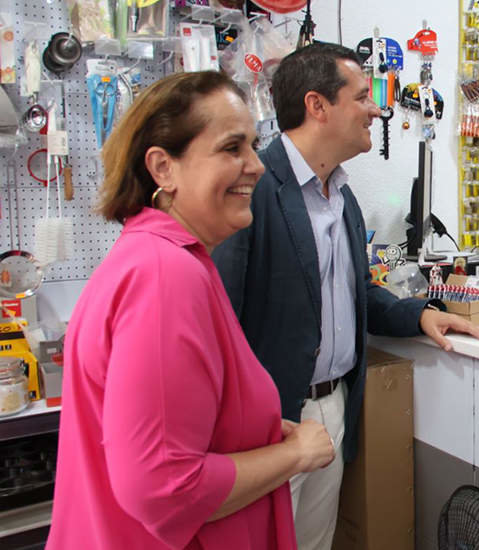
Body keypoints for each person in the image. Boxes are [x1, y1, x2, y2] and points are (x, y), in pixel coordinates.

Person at [212, 42, 479, 550]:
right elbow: (220, 318)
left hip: (333, 411)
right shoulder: (253, 186)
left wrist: (421, 316)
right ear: (318, 106)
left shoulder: (340, 195)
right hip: (268, 427)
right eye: (362, 96)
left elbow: (355, 292)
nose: (377, 108)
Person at [47, 71, 335, 550]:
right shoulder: (165, 277)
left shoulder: (166, 258)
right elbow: (162, 489)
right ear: (163, 168)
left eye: (254, 144)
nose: (256, 165)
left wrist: (256, 430)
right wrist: (296, 455)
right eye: (232, 148)